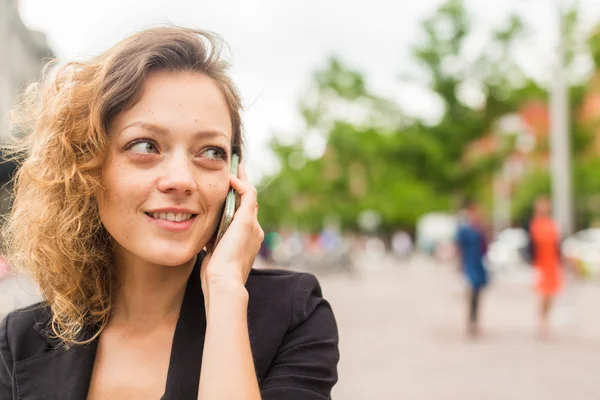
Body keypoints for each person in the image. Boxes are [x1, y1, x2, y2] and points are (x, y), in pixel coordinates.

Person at [0, 27, 339, 399]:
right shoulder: (19, 344)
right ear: (86, 167)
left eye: (210, 152)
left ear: (234, 179)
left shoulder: (293, 315)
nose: (181, 180)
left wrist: (225, 291)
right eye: (145, 146)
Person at [526, 195, 563, 338]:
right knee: (542, 295)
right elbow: (531, 248)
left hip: (551, 263)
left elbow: (557, 245)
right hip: (540, 264)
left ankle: (546, 320)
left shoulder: (553, 224)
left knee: (551, 295)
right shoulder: (533, 225)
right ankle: (541, 322)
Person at [455, 200, 489, 338]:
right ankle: (471, 321)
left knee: (477, 293)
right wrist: (459, 264)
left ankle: (474, 320)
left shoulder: (480, 229)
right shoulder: (465, 229)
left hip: (478, 263)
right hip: (469, 262)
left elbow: (485, 247)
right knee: (472, 291)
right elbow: (459, 247)